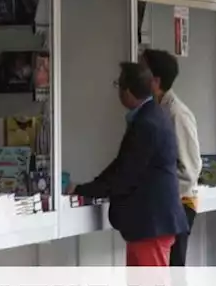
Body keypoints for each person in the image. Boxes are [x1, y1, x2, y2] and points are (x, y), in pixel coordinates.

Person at [72, 63, 189, 266]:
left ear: (126, 91)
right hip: (149, 223)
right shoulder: (151, 116)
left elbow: (125, 173)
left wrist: (85, 189)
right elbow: (123, 165)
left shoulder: (147, 124)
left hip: (151, 224)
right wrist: (88, 188)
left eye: (118, 84)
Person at [139, 49, 201, 266]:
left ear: (155, 81)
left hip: (178, 204)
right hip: (163, 204)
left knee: (174, 272)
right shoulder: (154, 110)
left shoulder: (177, 114)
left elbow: (189, 169)